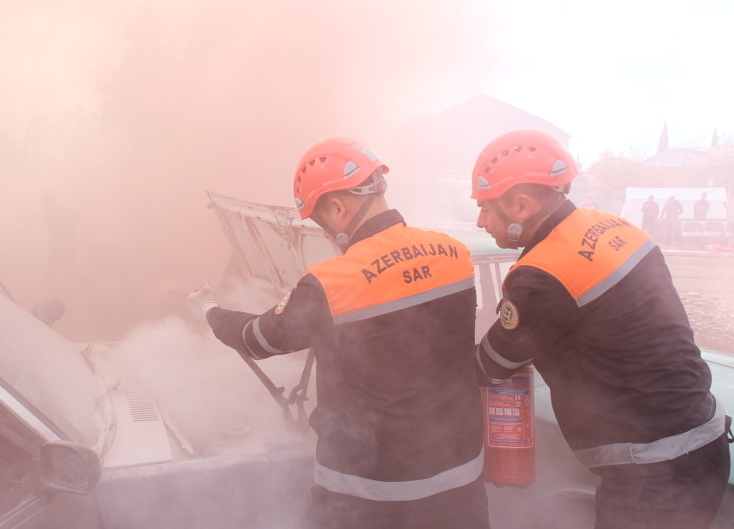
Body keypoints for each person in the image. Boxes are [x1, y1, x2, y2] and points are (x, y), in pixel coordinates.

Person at [188, 137, 489, 529]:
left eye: (320, 221)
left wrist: (210, 311)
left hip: (370, 497)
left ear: (337, 207)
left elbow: (256, 340)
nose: (326, 233)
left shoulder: (330, 284)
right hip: (460, 482)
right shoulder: (454, 253)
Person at [469, 129, 732, 529]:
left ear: (521, 205)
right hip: (706, 438)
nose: (480, 221)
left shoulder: (542, 274)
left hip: (652, 473)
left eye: (485, 208)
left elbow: (490, 365)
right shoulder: (617, 227)